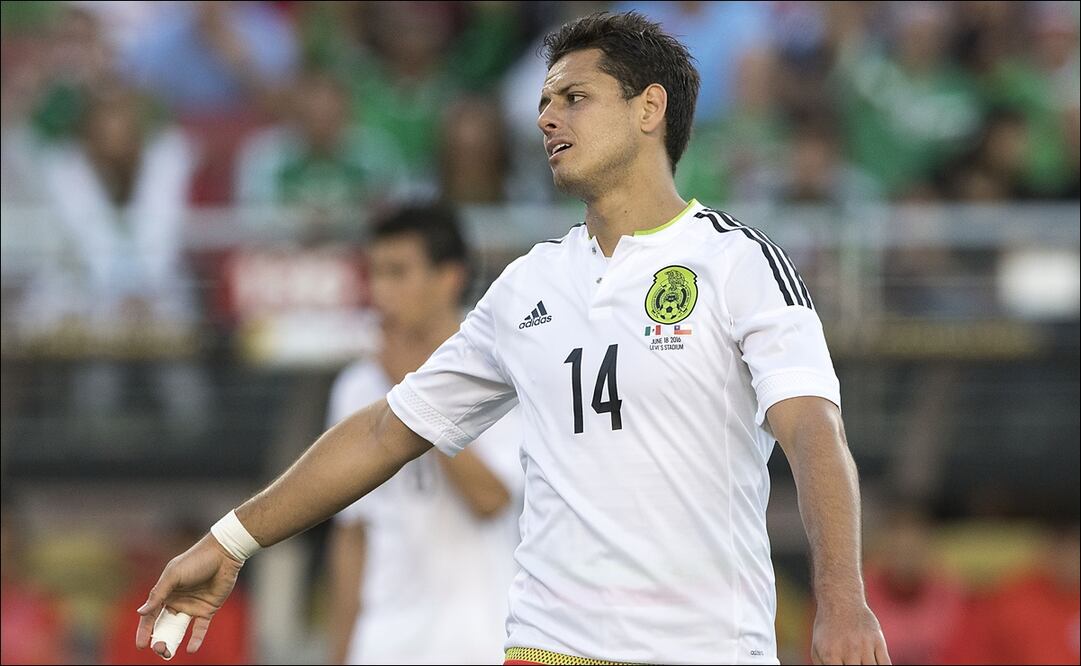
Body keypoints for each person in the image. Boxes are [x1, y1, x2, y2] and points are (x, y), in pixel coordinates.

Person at [135, 12, 890, 665]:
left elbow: (813, 432)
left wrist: (842, 600)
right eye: (541, 102)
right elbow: (382, 430)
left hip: (700, 647)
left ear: (648, 108)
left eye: (572, 97)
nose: (545, 118)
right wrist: (231, 540)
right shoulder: (527, 284)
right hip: (544, 646)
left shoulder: (735, 262)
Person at [324, 206, 523, 664]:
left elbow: (490, 499)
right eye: (375, 273)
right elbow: (352, 534)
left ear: (449, 278)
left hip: (480, 636)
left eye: (398, 273)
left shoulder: (498, 372)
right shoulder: (356, 385)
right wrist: (340, 651)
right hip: (384, 641)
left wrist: (410, 393)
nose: (381, 292)